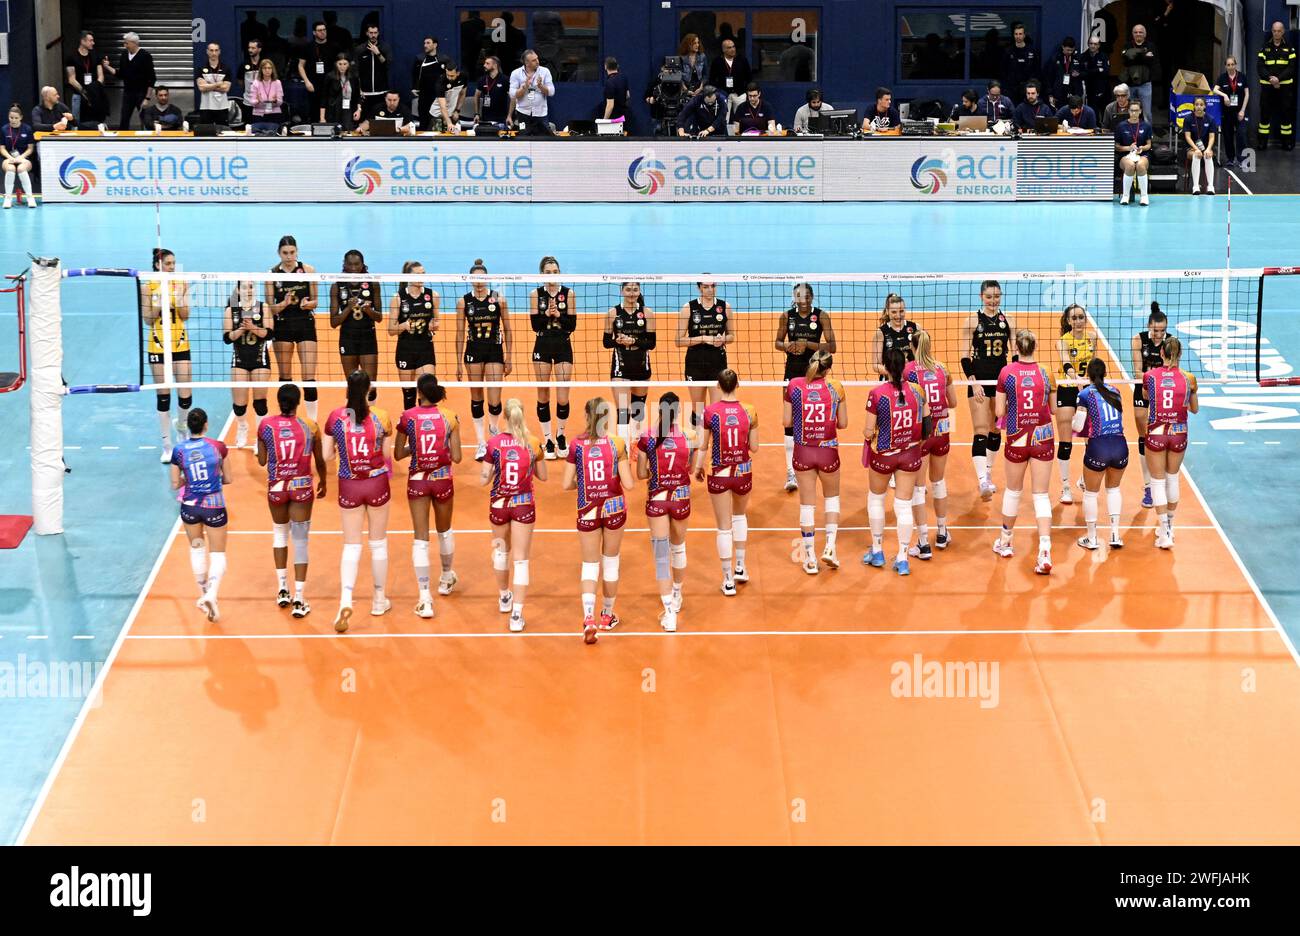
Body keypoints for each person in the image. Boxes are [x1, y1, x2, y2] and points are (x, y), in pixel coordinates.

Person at [323, 369, 394, 632]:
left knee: (351, 546)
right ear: (368, 391)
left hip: (349, 484)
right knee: (378, 544)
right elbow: (387, 455)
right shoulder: (381, 417)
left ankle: (345, 599)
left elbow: (328, 456)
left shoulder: (335, 418)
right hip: (376, 482)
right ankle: (378, 600)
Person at [563, 397, 634, 641]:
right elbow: (629, 484)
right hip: (614, 508)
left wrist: (584, 482)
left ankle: (589, 617)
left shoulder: (576, 445)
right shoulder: (617, 443)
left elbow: (565, 484)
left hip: (588, 507)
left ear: (586, 417)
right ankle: (608, 615)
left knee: (590, 564)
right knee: (611, 561)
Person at [256, 383, 326, 616]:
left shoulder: (266, 426)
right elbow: (320, 461)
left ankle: (282, 589)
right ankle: (299, 598)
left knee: (279, 534)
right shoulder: (310, 426)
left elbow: (262, 461)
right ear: (298, 403)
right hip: (301, 487)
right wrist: (323, 481)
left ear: (278, 401)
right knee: (300, 541)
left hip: (276, 487)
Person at [396, 373, 463, 617]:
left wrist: (415, 447)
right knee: (444, 531)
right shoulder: (449, 417)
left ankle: (425, 598)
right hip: (442, 478)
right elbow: (457, 457)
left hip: (418, 481)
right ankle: (446, 579)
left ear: (419, 393)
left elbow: (398, 455)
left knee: (421, 539)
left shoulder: (408, 417)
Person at [992, 330, 1056, 575]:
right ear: (1035, 346)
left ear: (1015, 348)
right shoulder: (1045, 372)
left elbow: (998, 412)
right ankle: (1045, 550)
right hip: (1043, 437)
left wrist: (1013, 403)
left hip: (1018, 436)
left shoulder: (1006, 373)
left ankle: (1006, 542)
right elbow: (1051, 409)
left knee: (1013, 490)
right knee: (1040, 494)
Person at [483, 398, 546, 633]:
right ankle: (517, 615)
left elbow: (484, 478)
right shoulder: (532, 443)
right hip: (523, 505)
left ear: (505, 417)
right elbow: (544, 476)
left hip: (499, 505)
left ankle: (504, 597)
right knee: (521, 559)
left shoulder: (494, 443)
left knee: (501, 551)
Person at [863, 348, 927, 575]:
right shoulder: (918, 391)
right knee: (903, 505)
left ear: (885, 367)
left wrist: (874, 434)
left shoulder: (877, 393)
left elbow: (868, 432)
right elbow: (926, 426)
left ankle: (878, 551)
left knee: (876, 500)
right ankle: (902, 557)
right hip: (910, 453)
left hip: (884, 454)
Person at [695, 369, 758, 596]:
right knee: (740, 516)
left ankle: (728, 580)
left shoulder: (710, 411)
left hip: (720, 473)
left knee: (724, 526)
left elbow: (703, 446)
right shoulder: (749, 411)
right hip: (742, 471)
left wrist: (698, 467)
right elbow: (755, 447)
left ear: (719, 387)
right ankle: (740, 567)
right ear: (737, 385)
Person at [784, 351, 847, 573]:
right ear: (828, 369)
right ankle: (830, 547)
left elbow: (786, 421)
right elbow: (843, 424)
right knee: (832, 500)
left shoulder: (794, 385)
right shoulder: (836, 388)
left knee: (807, 505)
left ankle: (810, 559)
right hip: (828, 451)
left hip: (802, 452)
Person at [637, 393, 693, 632]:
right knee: (678, 548)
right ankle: (678, 595)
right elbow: (688, 467)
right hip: (680, 498)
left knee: (661, 555)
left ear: (659, 410)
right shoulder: (689, 437)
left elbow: (641, 474)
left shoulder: (647, 437)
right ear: (678, 412)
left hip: (658, 500)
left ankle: (669, 613)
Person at [170, 409, 230, 622]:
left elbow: (175, 483)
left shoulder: (179, 450)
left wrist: (190, 480)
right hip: (213, 505)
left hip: (190, 506)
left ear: (188, 427)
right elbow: (228, 479)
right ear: (206, 425)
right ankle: (212, 594)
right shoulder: (218, 447)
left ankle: (204, 595)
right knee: (218, 554)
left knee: (197, 549)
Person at [775, 283, 836, 491]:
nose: (803, 300)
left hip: (815, 374)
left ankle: (818, 462)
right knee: (790, 422)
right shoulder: (786, 316)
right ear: (794, 297)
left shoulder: (821, 316)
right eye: (799, 297)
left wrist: (807, 345)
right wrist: (788, 346)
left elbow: (832, 346)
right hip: (791, 374)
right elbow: (777, 342)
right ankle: (790, 473)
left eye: (807, 296)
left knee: (816, 417)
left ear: (812, 297)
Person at [904, 329, 957, 558]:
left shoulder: (908, 371)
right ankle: (943, 532)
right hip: (942, 430)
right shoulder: (943, 368)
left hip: (921, 433)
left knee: (918, 487)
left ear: (911, 346)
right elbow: (952, 402)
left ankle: (923, 542)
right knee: (938, 481)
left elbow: (904, 404)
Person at [1144, 336, 1198, 549]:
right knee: (1172, 478)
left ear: (1162, 354)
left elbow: (1147, 398)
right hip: (1179, 432)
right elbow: (1194, 409)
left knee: (1157, 481)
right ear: (1181, 354)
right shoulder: (1189, 378)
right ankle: (1170, 527)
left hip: (1156, 432)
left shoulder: (1150, 376)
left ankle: (1164, 531)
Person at [960, 279, 1011, 500]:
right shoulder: (972, 321)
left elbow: (1015, 354)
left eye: (996, 296)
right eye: (989, 297)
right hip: (979, 382)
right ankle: (982, 481)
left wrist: (1012, 382)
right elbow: (964, 357)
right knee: (980, 430)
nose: (993, 301)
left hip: (1000, 384)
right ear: (982, 297)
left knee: (996, 430)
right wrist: (973, 381)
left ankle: (988, 475)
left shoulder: (1007, 321)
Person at [456, 260, 512, 459]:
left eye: (482, 279)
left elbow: (508, 329)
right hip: (473, 352)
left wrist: (509, 357)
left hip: (495, 351)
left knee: (495, 400)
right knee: (477, 397)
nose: (479, 283)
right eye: (475, 279)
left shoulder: (498, 299)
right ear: (470, 280)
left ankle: (494, 432)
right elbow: (460, 333)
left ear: (487, 279)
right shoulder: (464, 302)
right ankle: (481, 442)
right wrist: (457, 363)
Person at [140, 248, 192, 462]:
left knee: (185, 395)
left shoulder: (181, 284)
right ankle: (167, 445)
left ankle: (181, 430)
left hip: (180, 343)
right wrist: (157, 303)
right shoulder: (147, 287)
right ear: (157, 265)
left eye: (173, 263)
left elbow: (185, 315)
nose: (172, 267)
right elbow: (148, 320)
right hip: (158, 345)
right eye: (168, 263)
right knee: (163, 396)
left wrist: (178, 299)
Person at [1072, 360, 1127, 552]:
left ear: (1088, 373)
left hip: (1099, 447)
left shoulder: (1085, 394)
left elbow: (1077, 426)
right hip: (1120, 445)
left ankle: (1092, 538)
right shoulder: (1116, 391)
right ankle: (1115, 534)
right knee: (1113, 490)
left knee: (1090, 493)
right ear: (1105, 373)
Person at [266, 235, 321, 420]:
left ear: (297, 251)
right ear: (278, 253)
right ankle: (286, 418)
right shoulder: (271, 274)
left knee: (309, 376)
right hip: (282, 326)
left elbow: (316, 301)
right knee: (285, 375)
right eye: (285, 253)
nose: (289, 257)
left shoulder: (308, 270)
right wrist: (283, 304)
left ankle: (312, 421)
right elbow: (269, 309)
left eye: (292, 252)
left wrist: (308, 304)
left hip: (305, 323)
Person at [530, 256, 577, 459]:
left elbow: (572, 325)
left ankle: (561, 435)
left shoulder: (569, 294)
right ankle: (548, 438)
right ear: (542, 274)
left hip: (562, 345)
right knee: (543, 395)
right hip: (542, 344)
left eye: (555, 272)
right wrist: (547, 315)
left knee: (563, 396)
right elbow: (535, 326)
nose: (552, 275)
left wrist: (558, 315)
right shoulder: (535, 294)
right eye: (548, 272)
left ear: (559, 273)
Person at [604, 281, 656, 445]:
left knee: (638, 408)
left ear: (639, 291)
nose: (632, 293)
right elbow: (606, 342)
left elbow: (651, 343)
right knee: (623, 411)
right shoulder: (613, 313)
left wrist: (632, 340)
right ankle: (623, 448)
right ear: (622, 291)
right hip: (621, 365)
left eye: (635, 290)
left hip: (641, 364)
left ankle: (636, 443)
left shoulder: (647, 313)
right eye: (628, 289)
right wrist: (619, 341)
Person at [223, 280, 272, 450]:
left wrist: (252, 327)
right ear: (238, 290)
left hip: (260, 360)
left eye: (251, 287)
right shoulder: (231, 310)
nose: (248, 290)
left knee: (260, 403)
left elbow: (269, 333)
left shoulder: (263, 307)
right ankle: (242, 427)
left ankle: (260, 438)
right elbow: (227, 338)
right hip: (239, 361)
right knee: (239, 405)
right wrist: (242, 330)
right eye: (244, 287)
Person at [678, 280, 734, 427]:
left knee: (716, 410)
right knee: (698, 408)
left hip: (717, 362)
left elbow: (731, 337)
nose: (710, 290)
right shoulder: (688, 308)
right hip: (695, 362)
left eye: (713, 286)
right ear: (699, 288)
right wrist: (703, 339)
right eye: (705, 287)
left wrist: (723, 340)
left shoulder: (725, 307)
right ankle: (697, 445)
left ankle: (716, 444)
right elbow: (678, 340)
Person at [1054, 304, 1094, 503]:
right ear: (1069, 321)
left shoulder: (1092, 338)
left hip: (1086, 391)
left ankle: (1085, 479)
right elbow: (1066, 363)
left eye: (1081, 317)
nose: (1078, 321)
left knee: (1090, 440)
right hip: (1068, 388)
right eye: (1074, 318)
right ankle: (1065, 487)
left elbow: (1094, 364)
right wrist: (1078, 381)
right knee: (1066, 441)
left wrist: (1093, 385)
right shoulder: (1062, 341)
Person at [1130, 302, 1167, 509]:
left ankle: (1161, 482)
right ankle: (1148, 487)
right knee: (1143, 433)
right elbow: (1137, 372)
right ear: (1148, 326)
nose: (1159, 335)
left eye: (1162, 331)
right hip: (1143, 387)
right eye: (1155, 330)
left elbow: (1174, 370)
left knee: (1161, 436)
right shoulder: (1138, 340)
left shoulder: (1171, 342)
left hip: (1163, 390)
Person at [329, 249, 381, 397]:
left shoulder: (372, 284)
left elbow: (379, 317)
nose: (353, 268)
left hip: (368, 337)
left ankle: (371, 419)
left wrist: (368, 309)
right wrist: (348, 309)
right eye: (349, 264)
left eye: (356, 264)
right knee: (352, 388)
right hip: (347, 338)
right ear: (344, 264)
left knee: (370, 388)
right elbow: (333, 322)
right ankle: (353, 418)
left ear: (362, 265)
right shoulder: (337, 286)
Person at [389, 260, 439, 410]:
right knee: (409, 394)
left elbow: (436, 321)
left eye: (423, 273)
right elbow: (391, 330)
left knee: (428, 389)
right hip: (405, 348)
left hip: (425, 348)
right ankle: (410, 426)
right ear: (408, 277)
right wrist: (404, 326)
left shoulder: (433, 295)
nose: (421, 277)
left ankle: (425, 425)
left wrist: (433, 325)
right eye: (418, 274)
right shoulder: (398, 298)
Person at [101, 31, 156, 130]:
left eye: (126, 43)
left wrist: (147, 98)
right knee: (124, 119)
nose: (125, 45)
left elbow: (152, 79)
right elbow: (121, 74)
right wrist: (107, 67)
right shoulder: (124, 55)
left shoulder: (145, 56)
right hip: (128, 93)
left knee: (145, 120)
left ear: (134, 43)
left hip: (141, 93)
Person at [1257, 21, 1296, 151]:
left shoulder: (1290, 48)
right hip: (1268, 87)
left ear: (1283, 31)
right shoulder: (1264, 48)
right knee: (1265, 115)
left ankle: (1287, 143)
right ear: (1272, 31)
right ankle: (1262, 142)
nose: (1276, 33)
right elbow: (1260, 67)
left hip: (1284, 88)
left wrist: (1278, 79)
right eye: (1274, 30)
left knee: (1286, 115)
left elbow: (1291, 68)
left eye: (1279, 31)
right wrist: (1271, 79)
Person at [1115, 100, 1153, 206]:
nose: (1134, 113)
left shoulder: (1146, 126)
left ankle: (1144, 196)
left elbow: (1149, 145)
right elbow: (1116, 146)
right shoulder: (1121, 126)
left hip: (1142, 154)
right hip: (1125, 155)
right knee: (1130, 165)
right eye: (1132, 111)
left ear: (1140, 111)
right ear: (1128, 111)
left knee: (1140, 165)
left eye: (1136, 111)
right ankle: (1125, 196)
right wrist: (1128, 148)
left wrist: (1142, 148)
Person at [299, 21, 338, 122]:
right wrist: (307, 81)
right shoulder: (307, 47)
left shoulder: (334, 46)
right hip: (313, 84)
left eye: (324, 30)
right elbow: (300, 65)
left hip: (331, 84)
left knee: (331, 111)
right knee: (314, 112)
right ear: (314, 32)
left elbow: (340, 65)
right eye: (319, 30)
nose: (322, 32)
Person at [1120, 24, 1158, 128]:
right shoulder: (1127, 45)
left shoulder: (1150, 45)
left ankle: (1148, 136)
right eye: (1136, 32)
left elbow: (1151, 61)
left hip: (1145, 84)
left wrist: (1133, 55)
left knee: (1147, 113)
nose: (1138, 34)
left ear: (1145, 34)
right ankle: (1130, 132)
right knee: (1130, 111)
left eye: (1140, 32)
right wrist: (1143, 55)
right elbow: (1125, 61)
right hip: (1130, 84)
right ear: (1132, 34)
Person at [1213, 56, 1249, 167]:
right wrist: (1224, 95)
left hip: (1239, 111)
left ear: (1235, 65)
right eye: (1228, 65)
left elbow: (1247, 94)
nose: (1230, 67)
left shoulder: (1242, 77)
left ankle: (1242, 159)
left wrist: (1243, 111)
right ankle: (1230, 158)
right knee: (1227, 136)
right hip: (1227, 112)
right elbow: (1214, 89)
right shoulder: (1222, 77)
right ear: (1225, 66)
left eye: (1232, 64)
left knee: (1241, 135)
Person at [509, 50, 555, 134]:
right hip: (523, 113)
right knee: (523, 139)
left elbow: (551, 92)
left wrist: (541, 86)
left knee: (543, 140)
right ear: (526, 63)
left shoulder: (545, 71)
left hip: (540, 113)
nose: (537, 61)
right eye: (534, 60)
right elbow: (512, 94)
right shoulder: (516, 73)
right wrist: (525, 87)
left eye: (537, 58)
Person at [64, 31, 105, 125]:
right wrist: (84, 92)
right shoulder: (72, 57)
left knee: (97, 121)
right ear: (83, 41)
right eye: (90, 40)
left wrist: (95, 89)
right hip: (79, 94)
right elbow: (71, 79)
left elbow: (101, 75)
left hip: (94, 94)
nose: (93, 43)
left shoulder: (95, 55)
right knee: (76, 121)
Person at [354, 24, 392, 120]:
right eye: (371, 33)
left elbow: (387, 65)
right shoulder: (360, 49)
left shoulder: (385, 47)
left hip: (381, 92)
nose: (373, 35)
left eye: (375, 33)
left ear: (378, 33)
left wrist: (378, 53)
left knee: (380, 120)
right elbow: (356, 71)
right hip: (366, 93)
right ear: (367, 33)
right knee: (365, 120)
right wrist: (359, 89)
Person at [873, 293, 917, 377]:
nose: (898, 316)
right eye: (894, 312)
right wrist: (895, 373)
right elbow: (876, 365)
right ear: (887, 311)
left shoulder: (915, 328)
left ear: (905, 310)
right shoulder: (881, 333)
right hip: (890, 379)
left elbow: (923, 357)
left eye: (901, 311)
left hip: (912, 378)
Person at [1, 105, 37, 209]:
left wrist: (21, 157)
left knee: (21, 168)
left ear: (21, 117)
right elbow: (2, 148)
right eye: (11, 117)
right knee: (11, 168)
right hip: (8, 158)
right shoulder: (4, 129)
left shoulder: (27, 129)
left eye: (16, 118)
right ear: (8, 117)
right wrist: (9, 157)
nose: (13, 120)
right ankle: (8, 198)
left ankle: (30, 197)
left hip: (24, 158)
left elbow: (30, 148)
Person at [708, 37, 752, 121]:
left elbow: (749, 77)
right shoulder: (717, 61)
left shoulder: (742, 60)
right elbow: (712, 79)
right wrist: (718, 91)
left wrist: (744, 89)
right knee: (724, 119)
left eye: (733, 47)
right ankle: (724, 134)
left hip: (739, 93)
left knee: (741, 119)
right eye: (729, 47)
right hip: (723, 94)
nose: (732, 49)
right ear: (723, 50)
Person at [413, 36, 450, 131]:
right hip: (424, 97)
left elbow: (449, 77)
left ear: (435, 45)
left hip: (438, 98)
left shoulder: (444, 59)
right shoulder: (420, 59)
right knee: (424, 124)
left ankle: (437, 144)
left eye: (428, 43)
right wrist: (414, 87)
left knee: (436, 126)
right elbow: (415, 75)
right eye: (424, 43)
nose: (425, 45)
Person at [1182, 96, 1217, 195]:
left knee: (1208, 155)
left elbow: (1212, 137)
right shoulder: (1188, 119)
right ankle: (1195, 186)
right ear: (1193, 106)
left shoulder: (1210, 119)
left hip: (1206, 147)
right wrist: (1196, 149)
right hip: (1192, 147)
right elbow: (1187, 137)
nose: (1199, 107)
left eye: (1201, 105)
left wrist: (1208, 149)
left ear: (1205, 106)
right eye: (1197, 104)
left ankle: (1210, 186)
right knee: (1196, 155)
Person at [195, 42, 232, 125]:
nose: (214, 53)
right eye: (211, 50)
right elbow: (201, 88)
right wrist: (218, 84)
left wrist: (208, 85)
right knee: (206, 134)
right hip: (206, 107)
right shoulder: (201, 68)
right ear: (207, 52)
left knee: (223, 132)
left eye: (216, 50)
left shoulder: (226, 68)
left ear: (219, 52)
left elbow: (226, 88)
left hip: (222, 107)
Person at [1002, 21, 1039, 102]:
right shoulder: (1008, 51)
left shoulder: (1032, 51)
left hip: (1027, 90)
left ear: (1024, 35)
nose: (1018, 36)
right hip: (1011, 89)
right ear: (1013, 35)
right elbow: (1003, 71)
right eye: (1016, 34)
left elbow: (1036, 70)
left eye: (1020, 34)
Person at [247, 58, 285, 133]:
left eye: (269, 68)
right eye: (265, 68)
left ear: (272, 69)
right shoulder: (255, 83)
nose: (267, 70)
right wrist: (258, 101)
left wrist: (275, 101)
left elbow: (280, 102)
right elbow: (252, 102)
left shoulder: (277, 82)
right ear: (261, 70)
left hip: (274, 114)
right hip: (259, 115)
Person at [1044, 36, 1082, 109]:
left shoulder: (1077, 59)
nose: (1069, 52)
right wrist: (1050, 94)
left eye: (1071, 50)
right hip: (1058, 94)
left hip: (1073, 94)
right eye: (1067, 50)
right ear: (1063, 47)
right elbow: (1048, 77)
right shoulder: (1055, 59)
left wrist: (1079, 74)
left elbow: (1084, 73)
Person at [322, 53, 357, 129]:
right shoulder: (330, 77)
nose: (342, 67)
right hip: (333, 110)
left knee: (348, 132)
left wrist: (358, 110)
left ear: (348, 64)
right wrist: (322, 117)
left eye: (345, 64)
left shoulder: (353, 77)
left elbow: (357, 95)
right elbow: (324, 97)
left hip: (348, 110)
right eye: (340, 64)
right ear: (335, 64)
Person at [475, 56, 511, 129]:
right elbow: (476, 96)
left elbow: (512, 98)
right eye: (485, 63)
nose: (484, 65)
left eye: (487, 63)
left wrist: (509, 115)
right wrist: (477, 114)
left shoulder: (505, 79)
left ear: (495, 65)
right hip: (486, 118)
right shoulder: (482, 79)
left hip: (501, 118)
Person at [1081, 35, 1111, 117]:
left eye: (1095, 44)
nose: (1093, 46)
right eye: (1091, 43)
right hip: (1090, 89)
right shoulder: (1083, 56)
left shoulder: (1104, 56)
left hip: (1103, 89)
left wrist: (1090, 72)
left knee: (1105, 112)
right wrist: (1097, 70)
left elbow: (1106, 72)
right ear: (1088, 44)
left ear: (1099, 45)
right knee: (1093, 113)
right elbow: (1082, 73)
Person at [601, 56, 629, 123]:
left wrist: (604, 121)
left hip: (614, 119)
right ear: (617, 66)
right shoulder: (624, 79)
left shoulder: (609, 83)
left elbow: (610, 106)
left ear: (605, 67)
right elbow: (628, 95)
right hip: (623, 116)